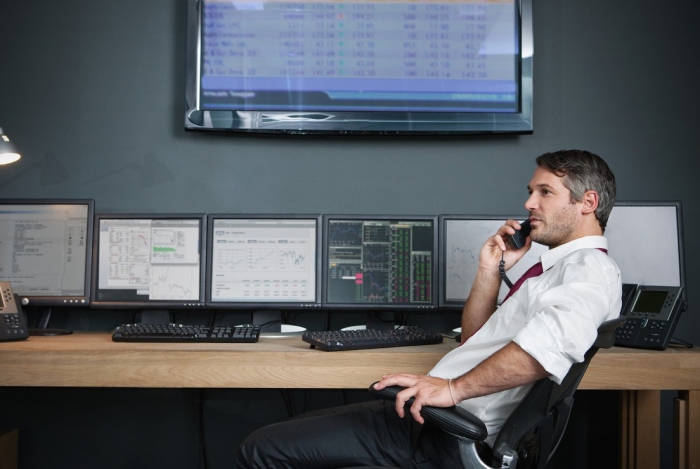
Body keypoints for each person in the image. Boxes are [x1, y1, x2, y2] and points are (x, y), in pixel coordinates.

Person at [237, 149, 622, 469]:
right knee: (282, 434)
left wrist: (453, 389)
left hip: (443, 434)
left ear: (587, 202)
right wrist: (490, 268)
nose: (528, 204)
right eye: (530, 191)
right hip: (437, 419)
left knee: (261, 449)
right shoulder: (557, 271)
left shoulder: (586, 271)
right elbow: (475, 339)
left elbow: (542, 353)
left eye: (545, 192)